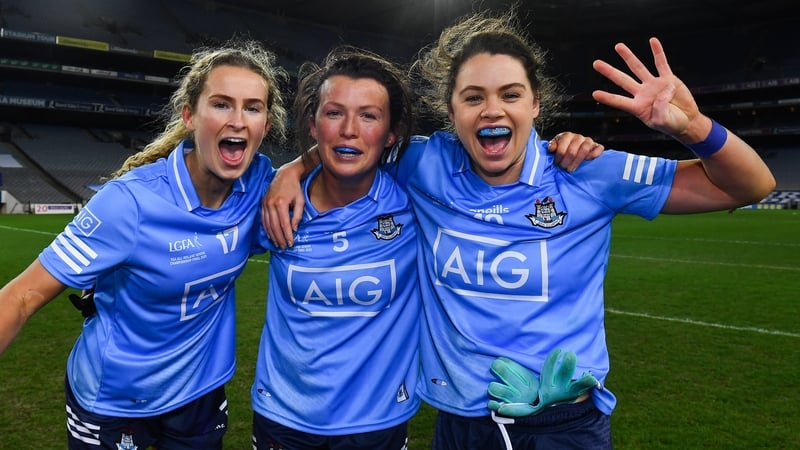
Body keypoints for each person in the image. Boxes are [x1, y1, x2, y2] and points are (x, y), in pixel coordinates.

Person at [263, 8, 775, 450]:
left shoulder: (585, 172)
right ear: (451, 112)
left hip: (560, 424)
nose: (492, 110)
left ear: (535, 105)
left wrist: (693, 128)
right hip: (457, 419)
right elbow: (355, 143)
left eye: (510, 94)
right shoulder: (426, 164)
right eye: (473, 97)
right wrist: (296, 168)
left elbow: (748, 186)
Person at [0, 38, 288, 449]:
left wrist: (300, 167)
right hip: (113, 401)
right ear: (190, 115)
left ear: (266, 124)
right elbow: (23, 295)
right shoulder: (129, 203)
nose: (238, 120)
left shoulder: (261, 183)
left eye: (253, 107)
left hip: (199, 395)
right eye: (222, 104)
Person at [249, 46, 421, 450]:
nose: (349, 129)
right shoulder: (274, 204)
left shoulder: (415, 201)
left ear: (391, 132)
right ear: (313, 125)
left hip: (378, 422)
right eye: (334, 113)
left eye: (368, 115)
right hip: (283, 419)